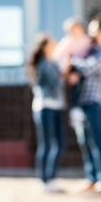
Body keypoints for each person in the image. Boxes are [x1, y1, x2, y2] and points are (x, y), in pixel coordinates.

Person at [70, 19, 101, 195]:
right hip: (83, 100)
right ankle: (91, 178)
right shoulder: (94, 50)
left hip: (94, 100)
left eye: (92, 30)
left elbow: (89, 68)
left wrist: (72, 59)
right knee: (85, 140)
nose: (89, 33)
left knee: (96, 139)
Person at [28, 34, 66, 193]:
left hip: (56, 106)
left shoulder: (53, 62)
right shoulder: (43, 63)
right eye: (52, 41)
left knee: (60, 143)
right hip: (44, 107)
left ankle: (51, 178)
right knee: (47, 144)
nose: (55, 43)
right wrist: (67, 70)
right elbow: (56, 82)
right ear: (45, 46)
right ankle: (44, 181)